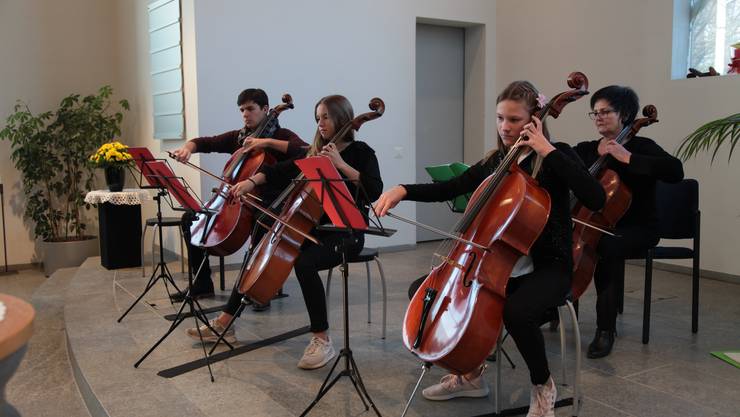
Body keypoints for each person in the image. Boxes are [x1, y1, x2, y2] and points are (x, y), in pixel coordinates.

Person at [374, 81, 605, 417]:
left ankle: (543, 386)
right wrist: (401, 190)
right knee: (424, 292)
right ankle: (469, 375)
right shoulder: (498, 161)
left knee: (517, 311)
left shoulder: (558, 157)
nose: (505, 127)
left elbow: (596, 198)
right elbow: (451, 188)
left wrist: (546, 150)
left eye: (514, 120)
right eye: (500, 118)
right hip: (497, 264)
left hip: (548, 266)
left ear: (534, 120)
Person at [186, 95, 383, 370]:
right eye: (317, 118)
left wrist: (340, 164)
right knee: (260, 244)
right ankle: (226, 321)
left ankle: (321, 339)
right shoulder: (315, 152)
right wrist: (250, 181)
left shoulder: (361, 151)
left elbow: (374, 190)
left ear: (342, 116)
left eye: (325, 116)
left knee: (304, 262)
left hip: (346, 231)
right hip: (313, 227)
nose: (320, 123)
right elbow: (278, 170)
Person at [573, 85, 683, 359]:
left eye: (605, 111)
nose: (598, 117)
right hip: (597, 225)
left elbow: (675, 170)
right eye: (595, 112)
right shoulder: (588, 150)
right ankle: (550, 306)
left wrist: (628, 157)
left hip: (638, 228)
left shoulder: (642, 146)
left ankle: (605, 329)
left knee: (606, 248)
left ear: (624, 114)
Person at [168, 88, 307, 304]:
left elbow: (305, 150)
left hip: (272, 202)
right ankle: (202, 282)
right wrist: (187, 148)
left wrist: (266, 143)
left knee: (263, 223)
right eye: (242, 109)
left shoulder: (281, 135)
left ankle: (256, 287)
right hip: (237, 199)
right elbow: (206, 142)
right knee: (190, 219)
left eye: (250, 109)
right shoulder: (240, 138)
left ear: (265, 109)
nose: (245, 114)